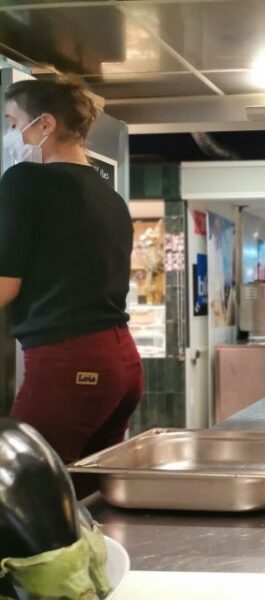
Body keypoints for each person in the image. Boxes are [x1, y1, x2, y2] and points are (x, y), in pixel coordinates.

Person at [0, 77, 143, 490]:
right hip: (121, 364)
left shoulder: (25, 180)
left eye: (14, 123)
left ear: (45, 124)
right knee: (86, 494)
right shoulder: (109, 196)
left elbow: (6, 285)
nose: (11, 136)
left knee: (22, 488)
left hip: (70, 365)